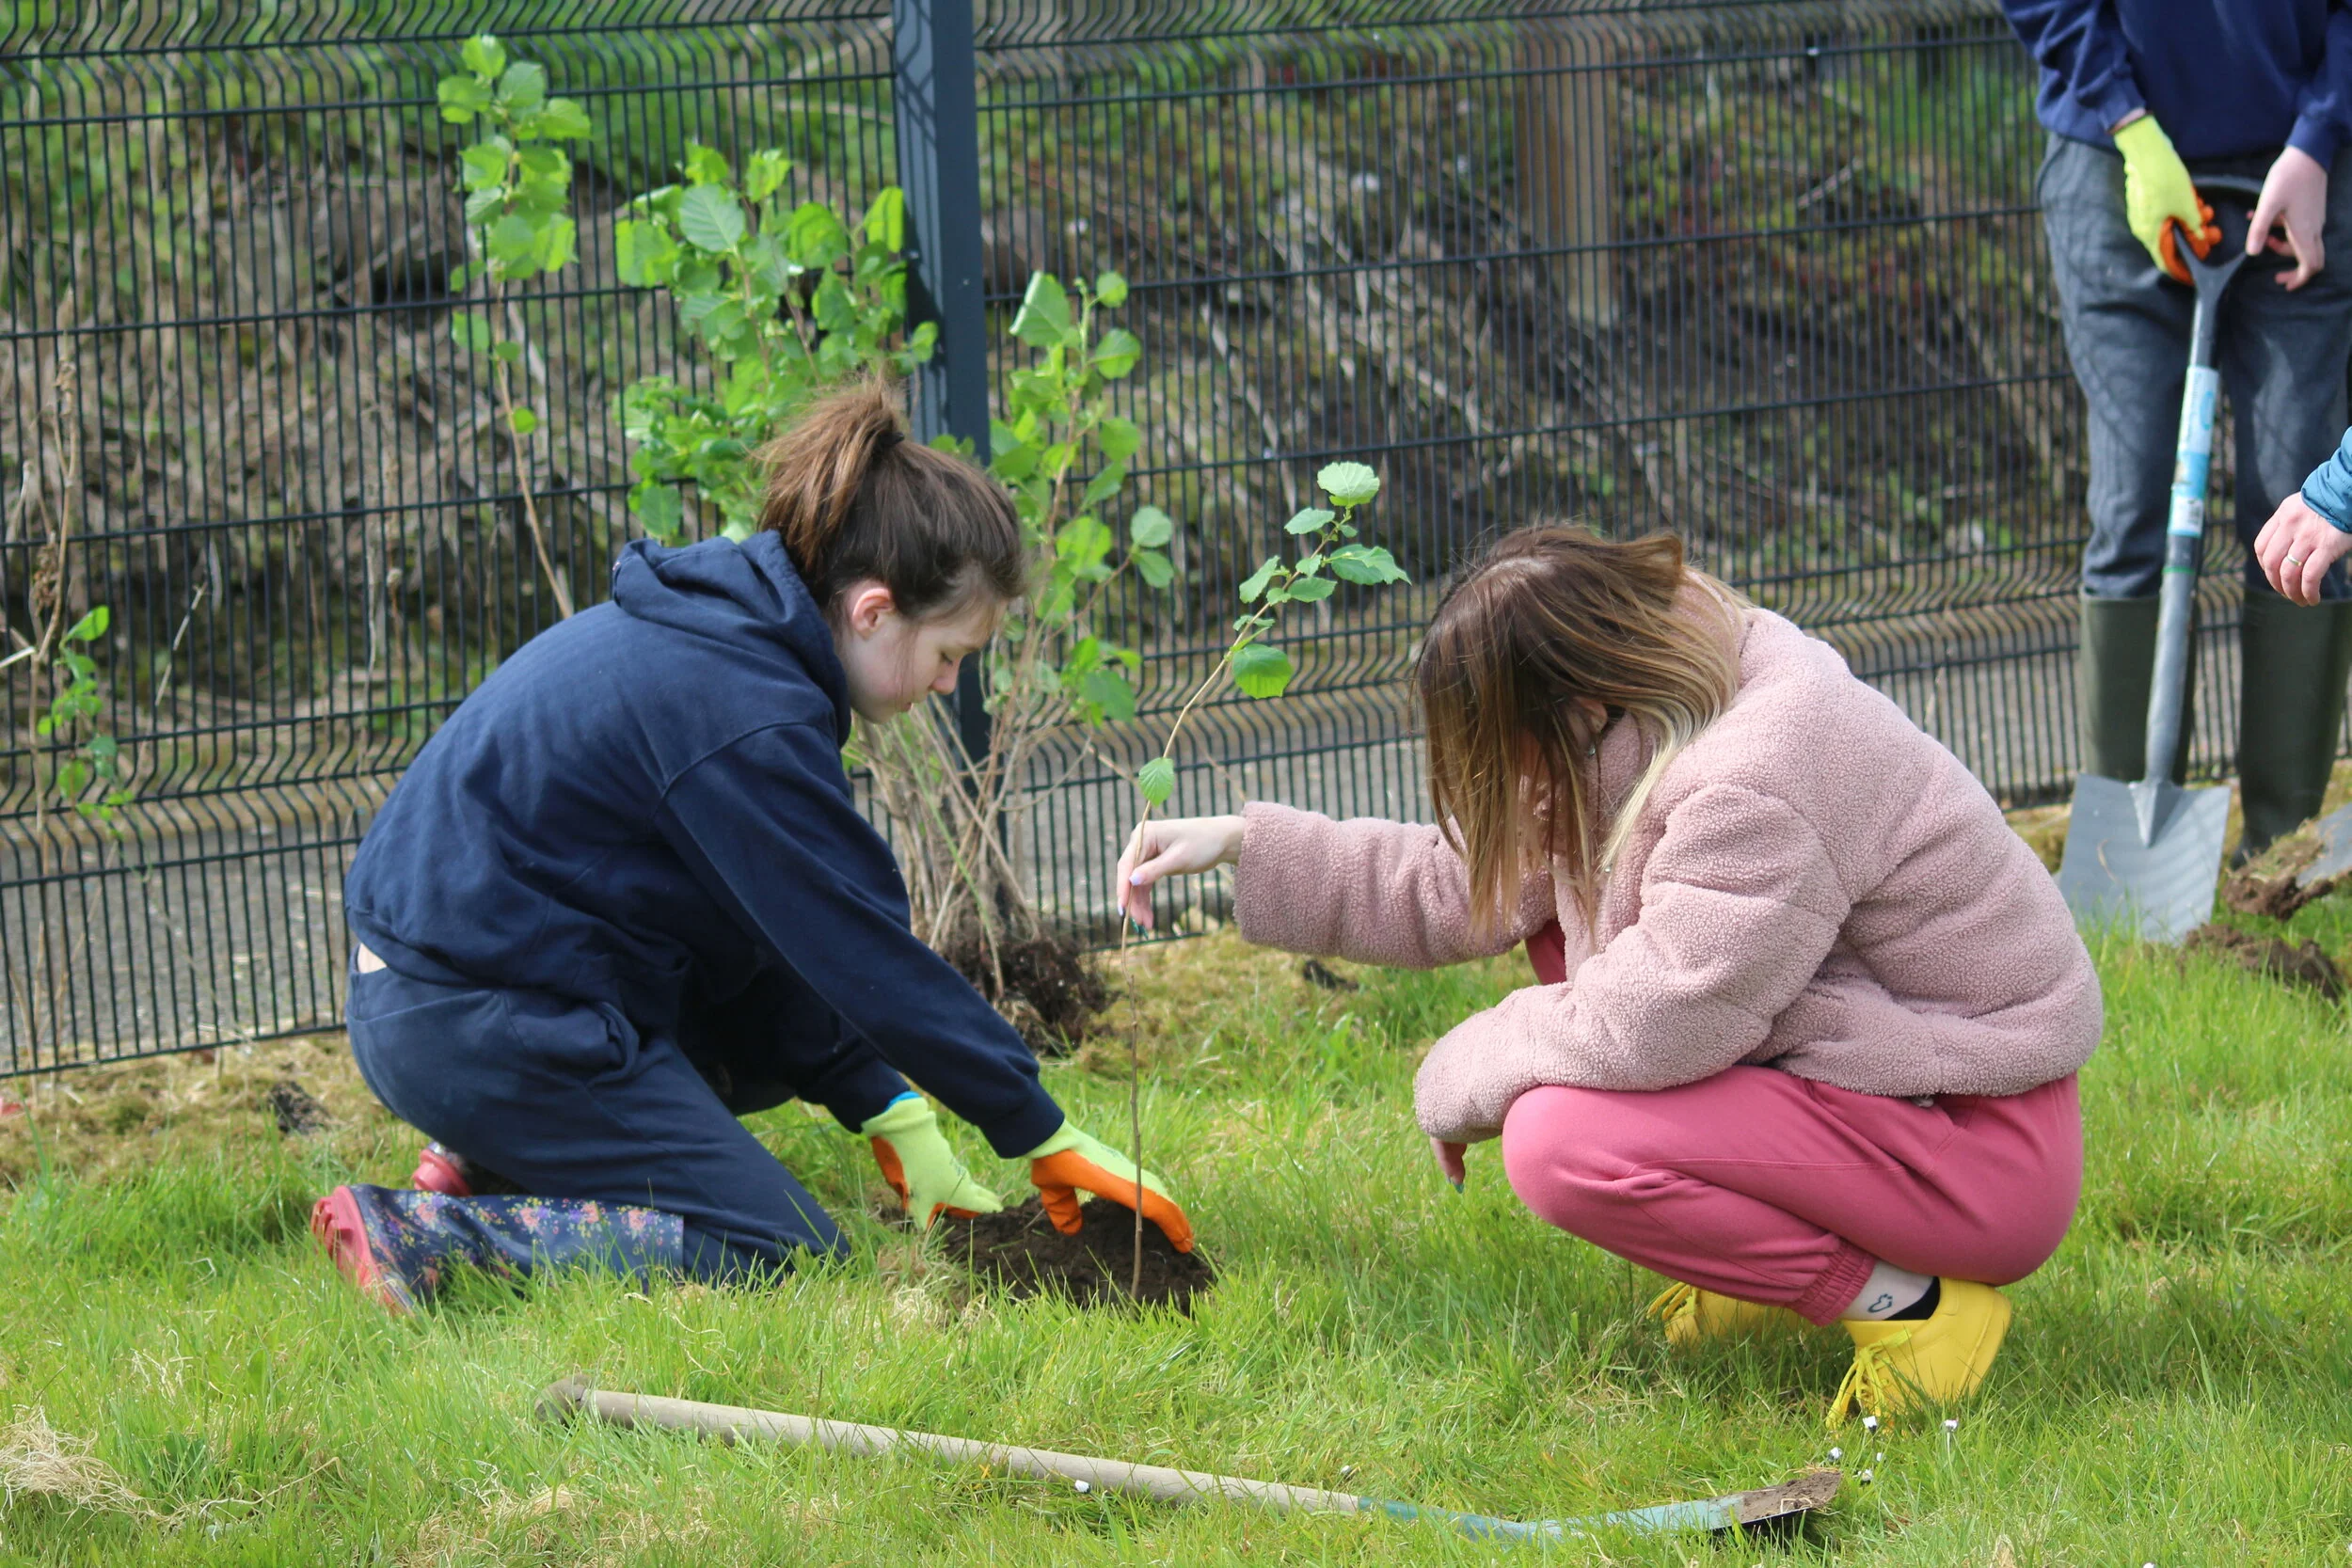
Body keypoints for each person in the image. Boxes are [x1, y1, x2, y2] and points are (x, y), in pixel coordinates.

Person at [1116, 527, 2099, 1423]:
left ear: (1576, 707)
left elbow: (1657, 1020)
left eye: (1500, 745)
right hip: (1890, 1098)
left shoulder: (1756, 774)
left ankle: (1917, 1306)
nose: (1494, 777)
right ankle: (1753, 1272)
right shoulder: (1653, 707)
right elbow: (1472, 876)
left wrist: (1468, 1061)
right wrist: (1249, 845)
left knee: (1561, 1139)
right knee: (1566, 937)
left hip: (1978, 1147)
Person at [310, 381, 1190, 1312]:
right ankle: (435, 1238)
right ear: (873, 611)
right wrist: (1036, 1126)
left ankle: (488, 1151)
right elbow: (852, 944)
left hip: (468, 990)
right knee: (778, 1248)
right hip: (466, 1014)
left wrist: (883, 1103)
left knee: (765, 1036)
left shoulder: (730, 646)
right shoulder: (739, 710)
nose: (947, 683)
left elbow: (770, 940)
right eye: (949, 655)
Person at [2000, 0, 2352, 857]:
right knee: (2136, 508)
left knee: (2300, 507)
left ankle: (2287, 852)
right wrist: (2126, 120)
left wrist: (2319, 134)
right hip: (2117, 166)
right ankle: (2129, 854)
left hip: (2309, 167)